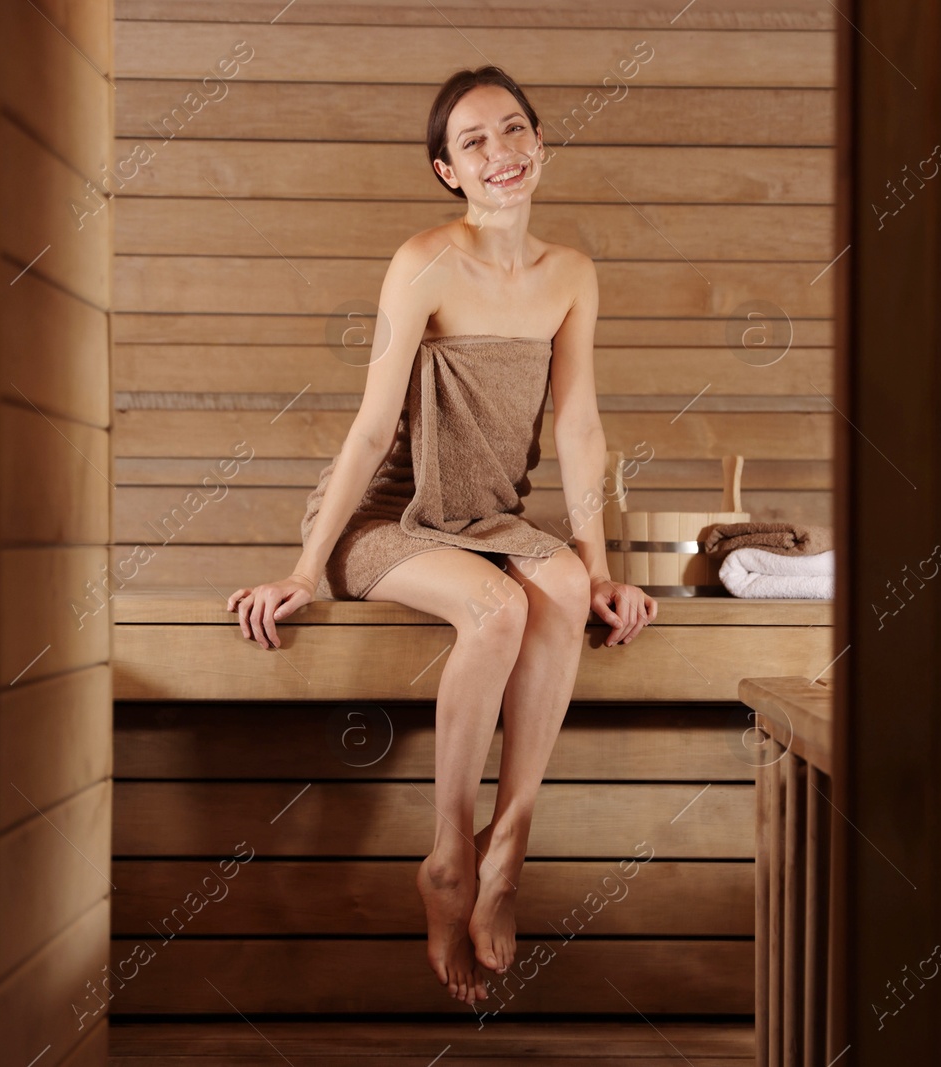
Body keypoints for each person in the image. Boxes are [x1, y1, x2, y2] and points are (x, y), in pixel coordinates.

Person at [224, 65, 658, 1006]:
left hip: (489, 517)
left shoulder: (572, 275)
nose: (501, 153)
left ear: (541, 142)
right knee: (498, 608)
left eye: (514, 130)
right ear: (445, 171)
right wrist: (305, 564)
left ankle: (513, 843)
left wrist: (600, 566)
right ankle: (450, 857)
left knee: (565, 592)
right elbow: (373, 427)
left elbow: (579, 430)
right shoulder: (424, 260)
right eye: (475, 143)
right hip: (388, 517)